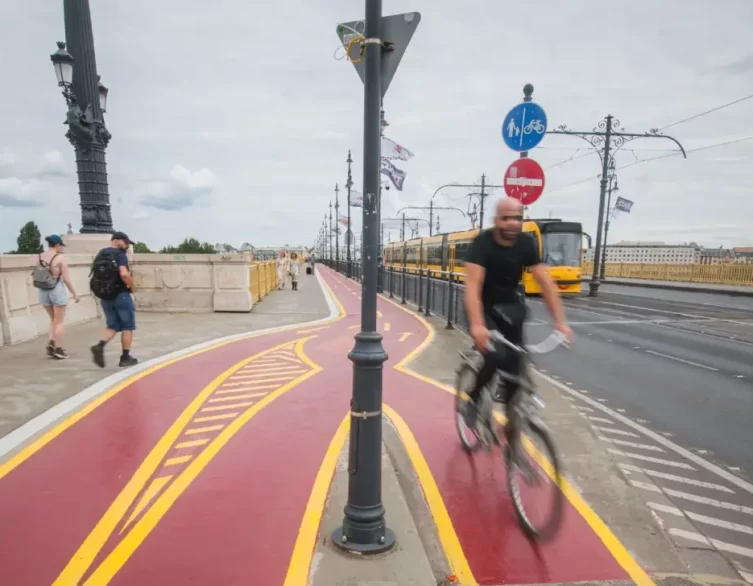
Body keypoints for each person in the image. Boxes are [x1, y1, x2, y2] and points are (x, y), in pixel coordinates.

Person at [462, 198, 573, 426]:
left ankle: (511, 443)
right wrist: (477, 326)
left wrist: (561, 323)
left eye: (518, 218)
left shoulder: (526, 243)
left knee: (517, 362)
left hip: (510, 308)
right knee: (495, 355)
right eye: (506, 218)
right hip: (483, 308)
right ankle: (471, 400)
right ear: (496, 220)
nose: (512, 224)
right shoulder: (482, 244)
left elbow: (545, 282)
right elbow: (472, 289)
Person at [90, 232, 138, 368]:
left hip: (106, 296)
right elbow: (123, 274)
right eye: (126, 243)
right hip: (121, 295)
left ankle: (100, 345)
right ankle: (125, 357)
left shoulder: (101, 254)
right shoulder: (120, 255)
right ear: (116, 241)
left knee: (112, 325)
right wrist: (132, 286)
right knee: (127, 327)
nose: (127, 246)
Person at [34, 234, 79, 359]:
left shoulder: (40, 257)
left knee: (53, 319)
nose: (61, 248)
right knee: (59, 321)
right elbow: (65, 278)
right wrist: (74, 294)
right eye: (61, 246)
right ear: (57, 245)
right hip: (56, 290)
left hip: (43, 291)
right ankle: (59, 349)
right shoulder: (60, 258)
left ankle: (52, 342)